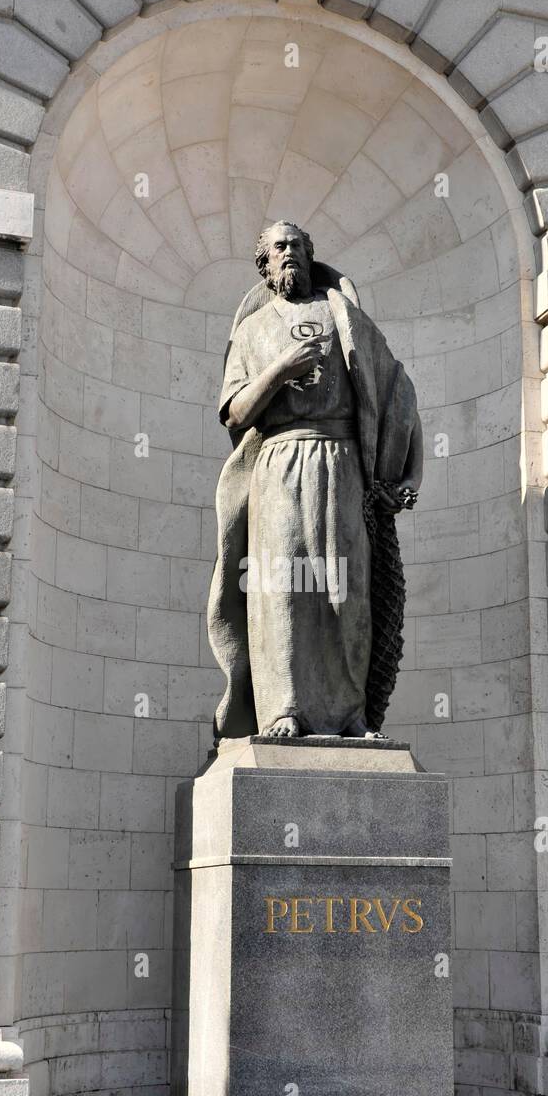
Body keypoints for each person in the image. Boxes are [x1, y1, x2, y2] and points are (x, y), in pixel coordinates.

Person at [208, 220, 423, 741]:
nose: (291, 254)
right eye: (279, 247)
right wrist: (280, 370)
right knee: (285, 588)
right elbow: (235, 414)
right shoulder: (252, 332)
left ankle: (350, 714)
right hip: (280, 462)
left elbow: (398, 397)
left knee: (346, 593)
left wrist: (407, 472)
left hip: (345, 463)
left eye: (298, 246)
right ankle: (284, 709)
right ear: (264, 262)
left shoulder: (344, 318)